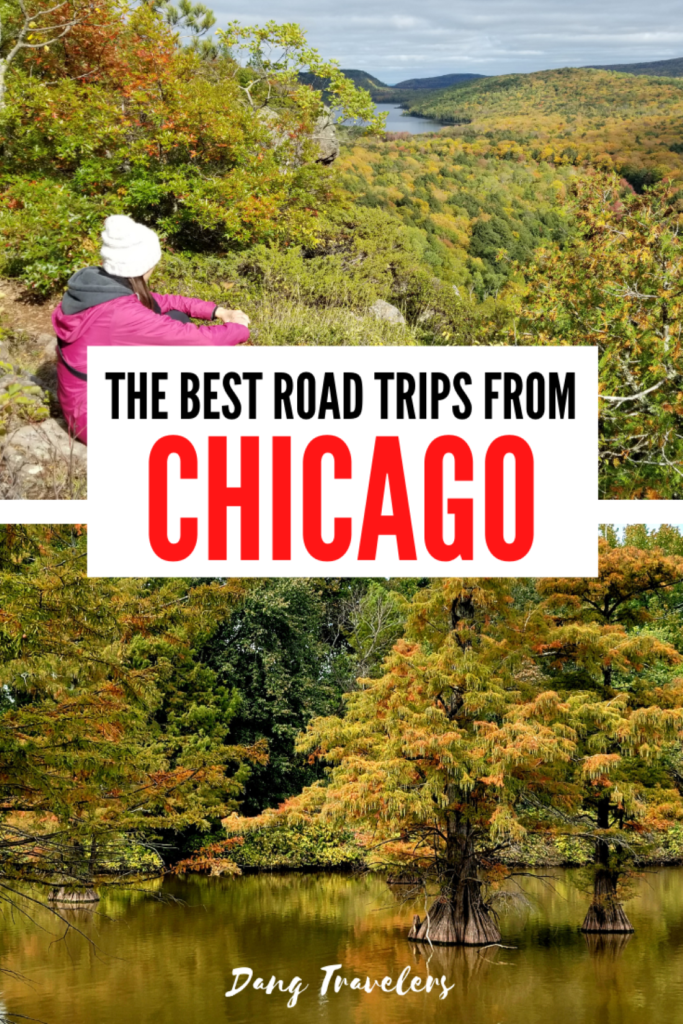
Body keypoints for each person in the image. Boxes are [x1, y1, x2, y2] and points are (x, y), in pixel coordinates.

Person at [52, 214, 251, 444]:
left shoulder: (100, 287)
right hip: (95, 418)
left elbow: (163, 301)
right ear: (144, 265)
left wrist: (217, 311)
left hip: (85, 396)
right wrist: (238, 328)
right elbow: (199, 341)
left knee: (175, 316)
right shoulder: (121, 313)